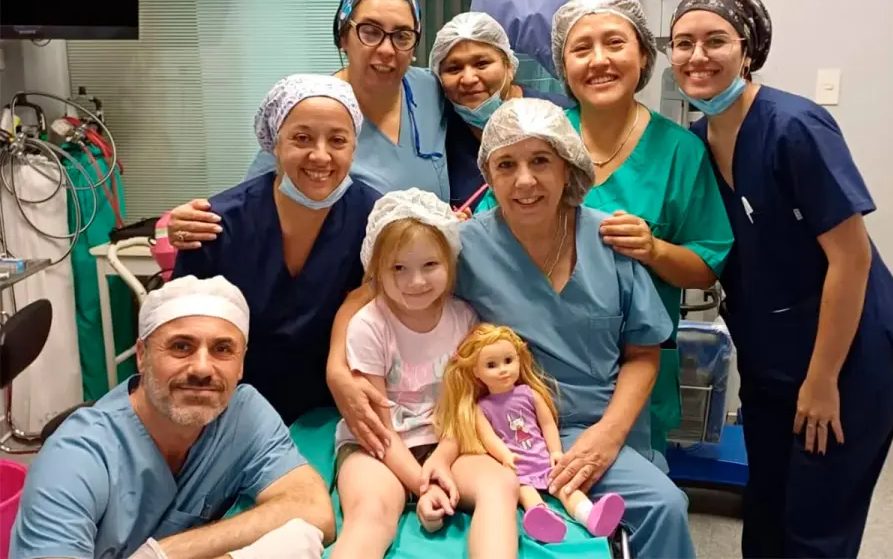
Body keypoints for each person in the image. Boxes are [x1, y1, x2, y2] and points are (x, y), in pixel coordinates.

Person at [332, 98, 697, 559]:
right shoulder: (461, 246)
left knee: (663, 506)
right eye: (506, 164)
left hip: (594, 427)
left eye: (541, 160)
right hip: (494, 432)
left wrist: (607, 436)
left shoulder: (610, 241)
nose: (524, 180)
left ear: (568, 168)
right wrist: (337, 370)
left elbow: (645, 352)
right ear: (489, 175)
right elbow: (370, 293)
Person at [669, 0, 893, 558]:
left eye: (715, 40)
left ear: (748, 51)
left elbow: (852, 257)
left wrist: (822, 381)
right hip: (774, 358)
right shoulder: (700, 139)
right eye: (683, 43)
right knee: (767, 511)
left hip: (846, 357)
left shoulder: (794, 127)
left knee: (814, 526)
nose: (697, 56)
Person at [479, 0, 734, 460]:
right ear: (563, 65)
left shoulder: (680, 151)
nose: (599, 61)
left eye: (614, 43)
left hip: (635, 367)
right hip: (520, 375)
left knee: (633, 506)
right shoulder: (535, 138)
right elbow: (487, 240)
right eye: (581, 49)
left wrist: (654, 250)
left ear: (642, 55)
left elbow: (706, 267)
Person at [10, 275, 334, 559]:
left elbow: (313, 509)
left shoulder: (243, 415)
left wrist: (163, 553)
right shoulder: (75, 459)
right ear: (142, 356)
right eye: (181, 346)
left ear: (241, 364)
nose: (203, 369)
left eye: (223, 349)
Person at [168, 0, 448, 251]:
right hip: (353, 275)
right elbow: (255, 199)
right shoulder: (314, 108)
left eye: (402, 36)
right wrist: (196, 220)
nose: (387, 49)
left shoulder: (430, 90)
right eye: (370, 32)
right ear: (343, 38)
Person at [170, 74, 382, 426]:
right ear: (274, 143)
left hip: (336, 408)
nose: (320, 155)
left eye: (337, 140)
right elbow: (180, 327)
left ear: (354, 148)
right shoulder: (216, 224)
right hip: (229, 409)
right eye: (302, 138)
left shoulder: (373, 219)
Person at [329, 189, 519, 559]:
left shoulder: (464, 319)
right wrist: (422, 484)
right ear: (376, 270)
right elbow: (378, 425)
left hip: (448, 440)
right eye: (398, 268)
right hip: (377, 445)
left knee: (501, 485)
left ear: (450, 262)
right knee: (371, 512)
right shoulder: (369, 325)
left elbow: (465, 403)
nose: (415, 281)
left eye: (430, 265)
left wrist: (441, 461)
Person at [434, 323, 627, 543]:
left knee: (565, 488)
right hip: (516, 469)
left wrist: (555, 451)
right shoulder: (481, 408)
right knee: (525, 492)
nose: (503, 369)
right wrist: (505, 457)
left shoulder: (529, 394)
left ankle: (592, 516)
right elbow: (489, 439)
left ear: (519, 358)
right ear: (476, 372)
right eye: (491, 365)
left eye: (508, 361)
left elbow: (547, 425)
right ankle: (542, 520)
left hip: (544, 461)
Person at [429, 11, 574, 210]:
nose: (469, 78)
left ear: (509, 66)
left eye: (482, 64)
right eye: (454, 69)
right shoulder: (439, 136)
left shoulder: (560, 116)